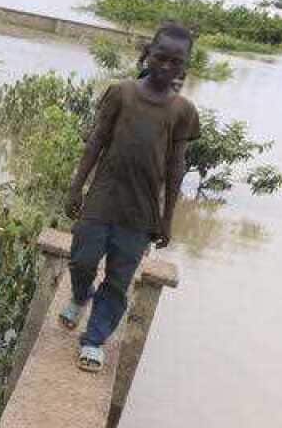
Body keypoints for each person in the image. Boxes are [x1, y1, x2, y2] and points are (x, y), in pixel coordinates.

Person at [60, 23, 201, 372]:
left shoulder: (182, 111)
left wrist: (168, 219)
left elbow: (175, 168)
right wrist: (76, 188)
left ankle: (93, 340)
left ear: (184, 67)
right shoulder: (121, 93)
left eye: (175, 61)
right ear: (147, 55)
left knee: (119, 279)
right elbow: (96, 142)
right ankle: (80, 296)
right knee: (82, 259)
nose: (166, 66)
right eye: (161, 57)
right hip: (102, 199)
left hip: (141, 213)